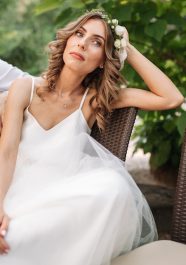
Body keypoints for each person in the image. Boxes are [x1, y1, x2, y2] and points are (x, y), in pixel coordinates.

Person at [0, 8, 184, 265]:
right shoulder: (25, 88)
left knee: (113, 185)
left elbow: (172, 98)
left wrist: (127, 48)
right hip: (13, 191)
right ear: (67, 41)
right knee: (11, 240)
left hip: (62, 201)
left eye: (96, 42)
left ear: (102, 59)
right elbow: (6, 151)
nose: (82, 44)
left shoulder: (94, 101)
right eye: (79, 33)